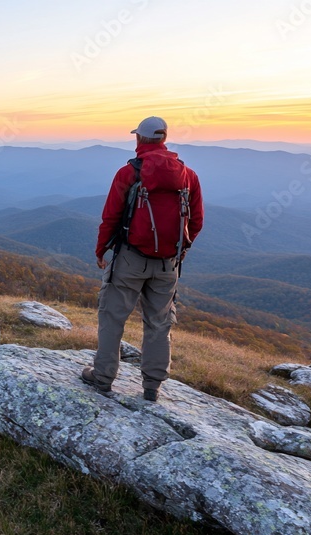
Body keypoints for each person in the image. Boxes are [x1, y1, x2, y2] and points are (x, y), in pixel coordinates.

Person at [81, 116, 204, 401]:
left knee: (113, 317)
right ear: (164, 139)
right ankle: (152, 386)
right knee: (160, 324)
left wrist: (102, 249)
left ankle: (102, 378)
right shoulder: (188, 175)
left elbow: (110, 215)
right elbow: (195, 220)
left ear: (139, 139)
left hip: (130, 259)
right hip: (168, 263)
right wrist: (180, 250)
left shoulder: (129, 173)